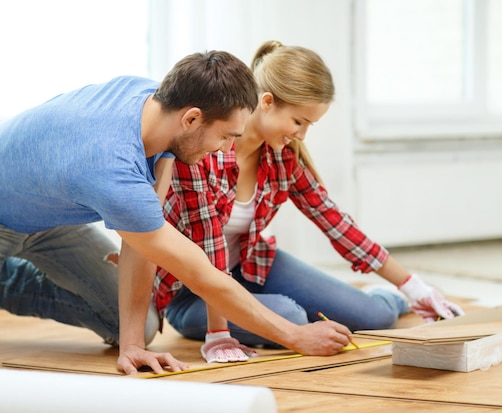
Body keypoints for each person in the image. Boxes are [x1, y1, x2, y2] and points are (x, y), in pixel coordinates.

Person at [0, 49, 354, 375]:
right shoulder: (111, 167)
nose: (226, 150)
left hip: (49, 220)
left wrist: (130, 346)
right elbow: (200, 272)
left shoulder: (156, 105)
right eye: (224, 137)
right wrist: (295, 336)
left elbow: (141, 241)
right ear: (192, 119)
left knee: (140, 327)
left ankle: (2, 281)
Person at [153, 41, 464, 363]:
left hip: (250, 265)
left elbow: (336, 223)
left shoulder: (283, 159)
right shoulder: (204, 151)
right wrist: (219, 334)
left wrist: (414, 287)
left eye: (308, 126)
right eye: (299, 121)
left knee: (375, 316)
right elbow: (210, 247)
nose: (301, 135)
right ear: (268, 102)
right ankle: (272, 312)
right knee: (293, 316)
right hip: (192, 291)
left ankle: (384, 299)